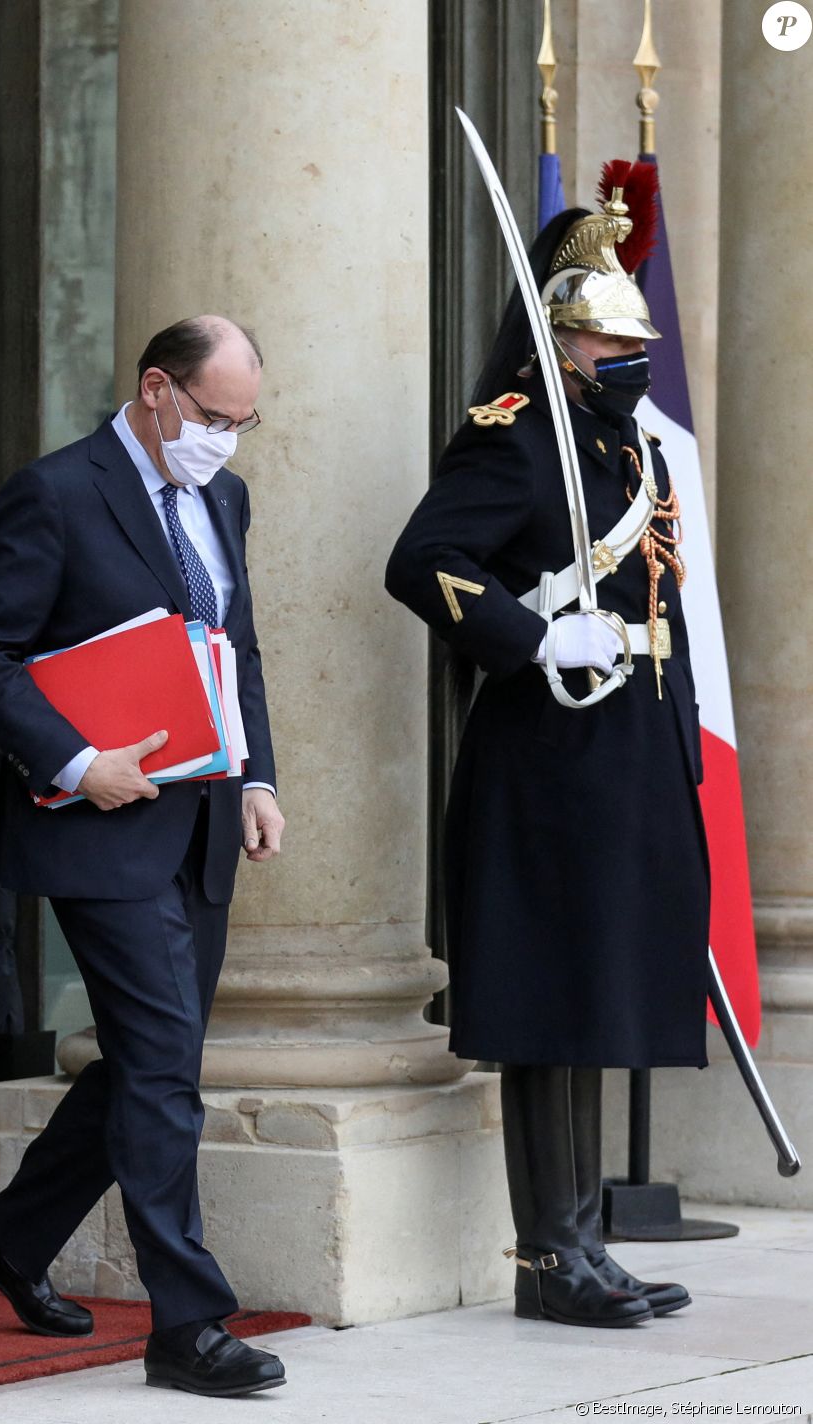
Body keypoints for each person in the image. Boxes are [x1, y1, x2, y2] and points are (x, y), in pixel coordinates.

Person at [0, 315, 287, 1396]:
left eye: (245, 422)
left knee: (154, 1060)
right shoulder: (54, 491)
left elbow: (240, 648)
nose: (226, 441)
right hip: (97, 825)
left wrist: (257, 776)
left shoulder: (222, 498)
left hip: (201, 822)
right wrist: (78, 757)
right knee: (163, 1069)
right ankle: (188, 1323)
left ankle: (9, 1234)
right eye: (215, 418)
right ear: (155, 389)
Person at [385, 171, 705, 1328]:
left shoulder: (627, 451)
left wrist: (678, 758)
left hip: (625, 750)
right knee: (547, 1003)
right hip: (548, 752)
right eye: (603, 334)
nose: (625, 352)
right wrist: (529, 634)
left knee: (598, 994)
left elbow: (659, 608)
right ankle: (547, 1255)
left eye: (630, 336)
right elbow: (421, 560)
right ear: (558, 334)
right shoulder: (515, 437)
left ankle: (584, 1241)